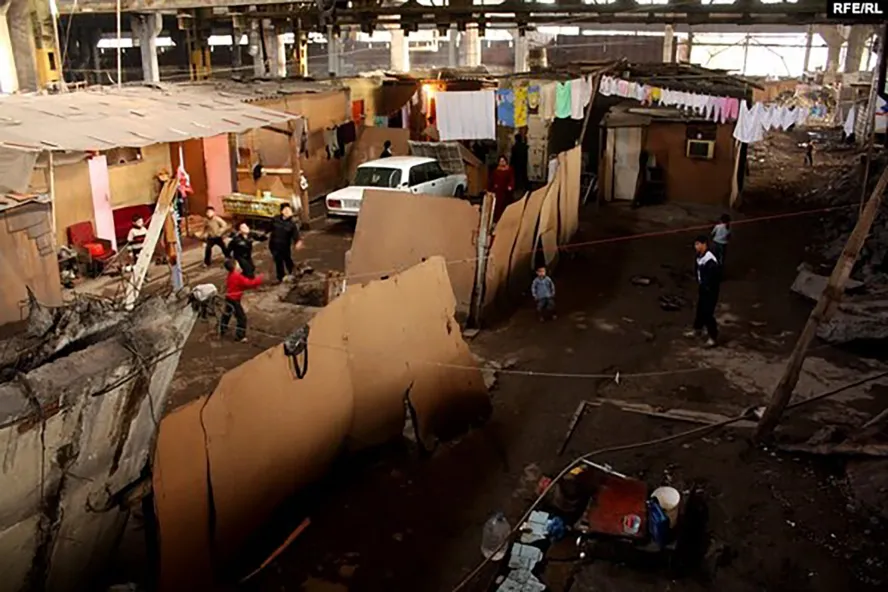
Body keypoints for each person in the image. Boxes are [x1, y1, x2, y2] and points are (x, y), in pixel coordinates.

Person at [685, 235, 722, 347]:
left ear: (704, 244)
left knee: (708, 313)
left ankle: (713, 336)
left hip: (711, 290)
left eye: (698, 244)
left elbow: (714, 277)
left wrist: (707, 286)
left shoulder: (710, 260)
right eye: (695, 244)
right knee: (700, 309)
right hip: (703, 287)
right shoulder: (699, 256)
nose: (696, 247)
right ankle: (697, 329)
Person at [220, 258, 263, 343]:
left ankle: (223, 328)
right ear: (234, 268)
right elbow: (249, 284)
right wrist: (260, 279)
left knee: (227, 314)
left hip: (229, 297)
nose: (240, 266)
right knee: (241, 318)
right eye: (238, 265)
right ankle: (240, 336)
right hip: (234, 299)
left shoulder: (231, 274)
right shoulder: (237, 276)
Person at [268, 203, 304, 283]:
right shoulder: (275, 219)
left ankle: (293, 273)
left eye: (289, 210)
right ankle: (281, 277)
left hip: (285, 246)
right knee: (278, 261)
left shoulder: (292, 224)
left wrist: (297, 241)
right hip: (274, 245)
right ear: (282, 211)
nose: (288, 212)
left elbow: (295, 235)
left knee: (287, 259)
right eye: (286, 210)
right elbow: (268, 228)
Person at [489, 155, 515, 222]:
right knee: (497, 206)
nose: (502, 163)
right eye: (500, 161)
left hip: (506, 192)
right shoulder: (496, 171)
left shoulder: (509, 170)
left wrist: (510, 186)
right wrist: (491, 188)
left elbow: (511, 179)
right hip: (498, 191)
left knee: (505, 205)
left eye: (503, 161)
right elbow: (492, 180)